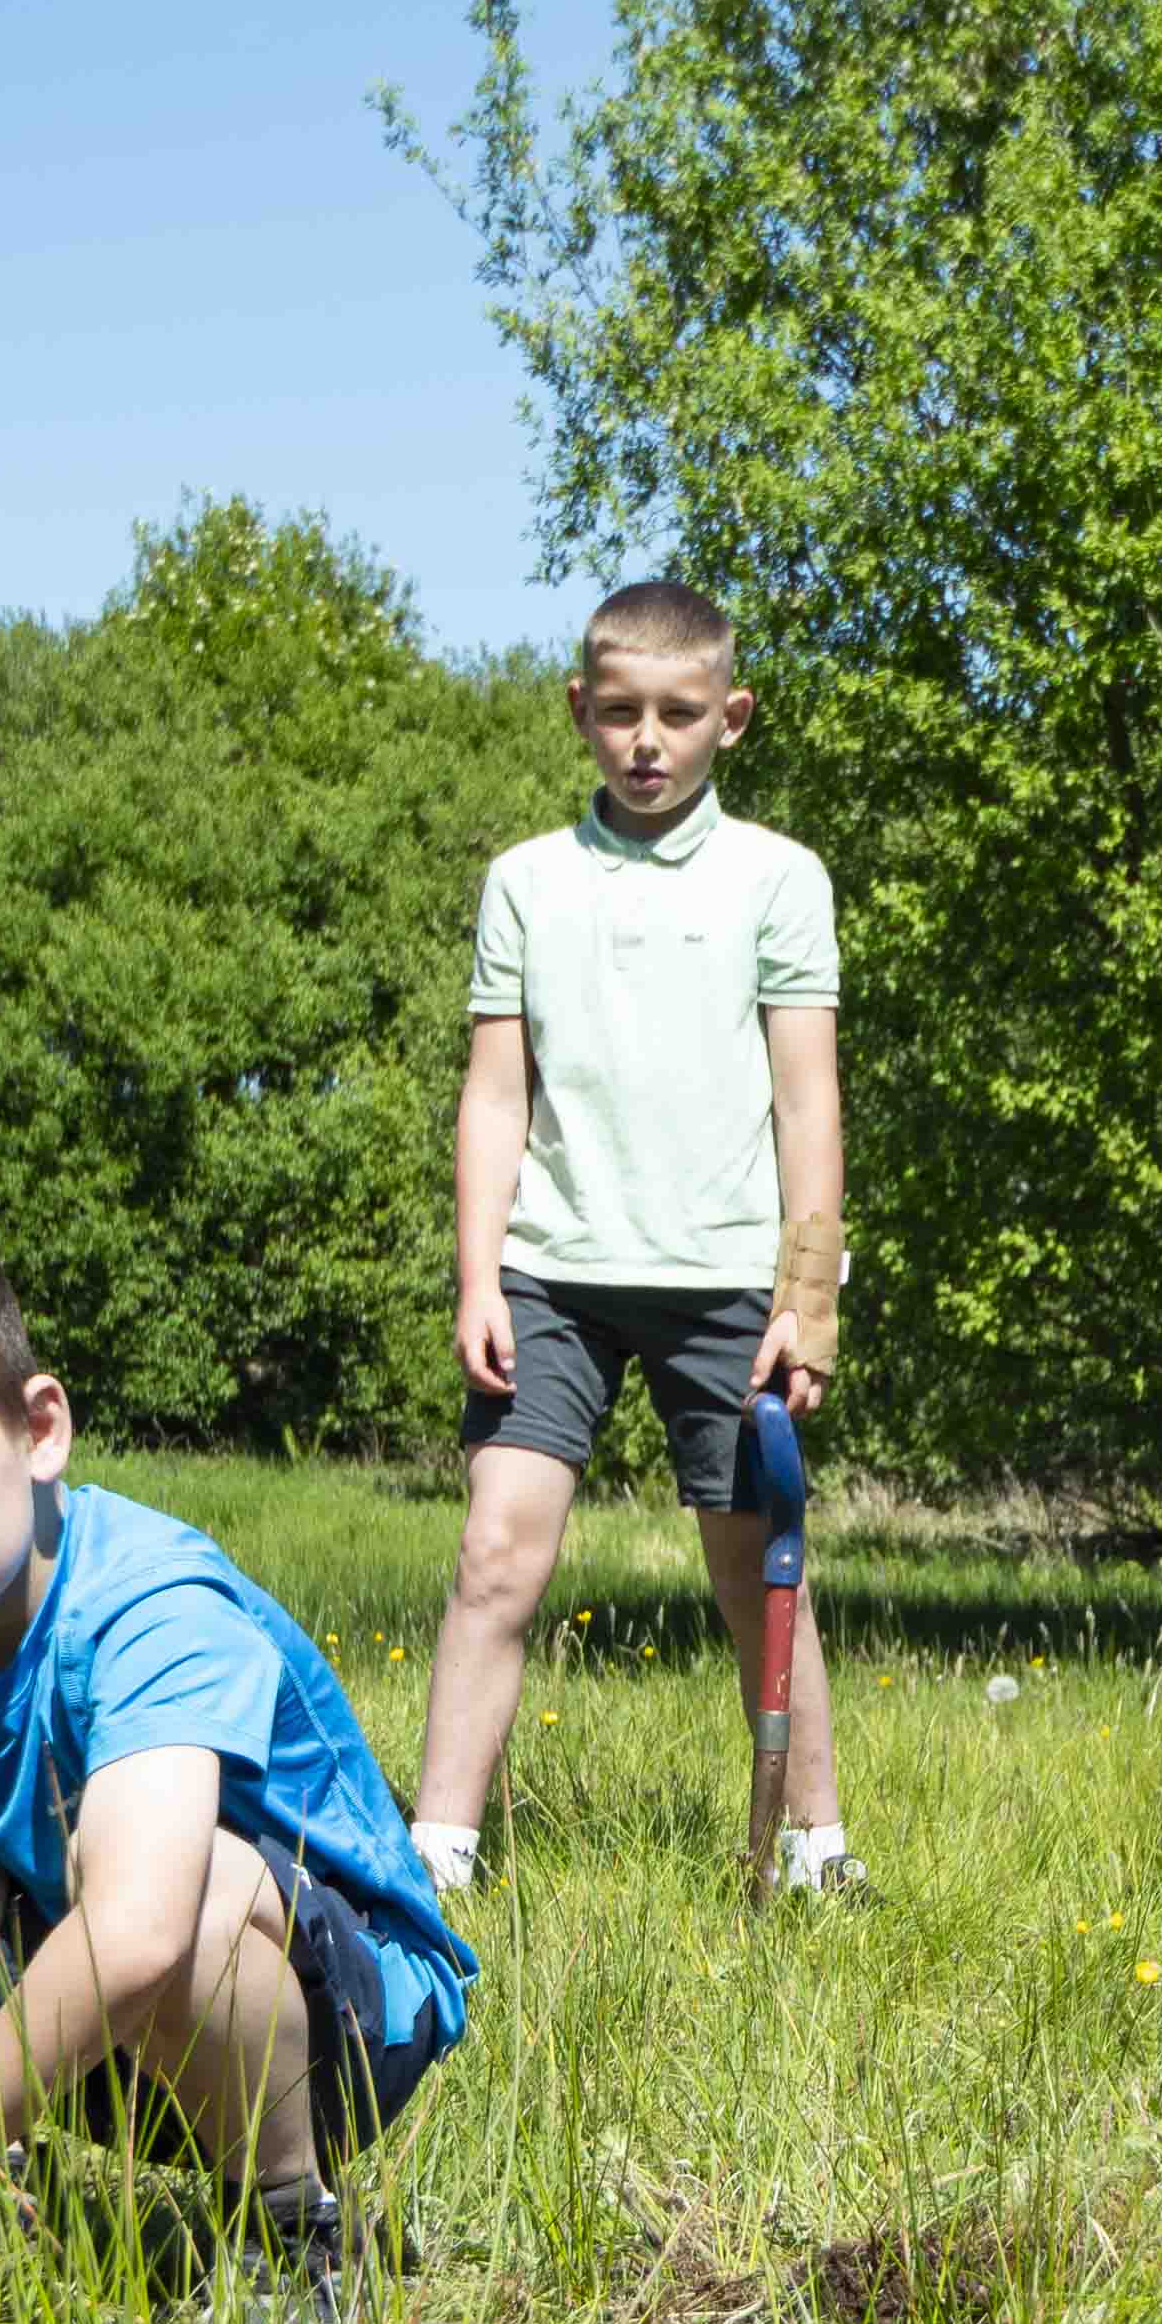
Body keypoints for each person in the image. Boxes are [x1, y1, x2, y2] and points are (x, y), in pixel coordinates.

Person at [0, 1202, 469, 2324]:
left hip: (331, 2030)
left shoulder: (151, 1605)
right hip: (95, 2023)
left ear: (39, 1429)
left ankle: (288, 2231)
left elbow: (144, 1930)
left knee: (192, 1886)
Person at [409, 577, 863, 1901]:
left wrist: (807, 1296)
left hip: (726, 1284)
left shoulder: (777, 879)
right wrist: (478, 1273)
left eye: (676, 714)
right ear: (578, 714)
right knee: (495, 1550)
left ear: (732, 716)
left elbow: (806, 1100)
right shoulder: (526, 883)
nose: (647, 742)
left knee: (754, 1575)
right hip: (551, 1276)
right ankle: (432, 1863)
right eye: (618, 715)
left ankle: (813, 1853)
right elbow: (497, 1093)